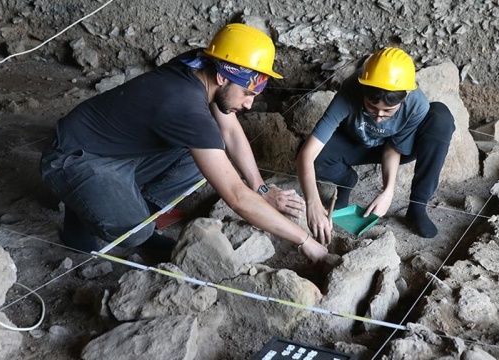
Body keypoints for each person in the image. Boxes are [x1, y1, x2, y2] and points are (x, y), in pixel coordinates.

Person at [40, 23, 328, 263]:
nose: (250, 105)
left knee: (202, 154)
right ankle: (85, 212)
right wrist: (305, 242)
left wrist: (261, 188)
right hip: (74, 158)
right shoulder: (184, 106)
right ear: (222, 77)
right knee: (135, 233)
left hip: (117, 147)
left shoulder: (199, 64)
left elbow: (228, 131)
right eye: (247, 94)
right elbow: (236, 197)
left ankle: (126, 206)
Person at [297, 47, 455, 244]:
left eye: (388, 111)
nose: (379, 118)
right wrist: (312, 202)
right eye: (371, 107)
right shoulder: (351, 89)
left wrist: (388, 192)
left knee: (441, 117)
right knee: (314, 157)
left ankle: (417, 207)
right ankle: (346, 182)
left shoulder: (416, 104)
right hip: (355, 141)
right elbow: (307, 153)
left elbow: (394, 147)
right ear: (363, 90)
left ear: (405, 96)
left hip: (392, 148)